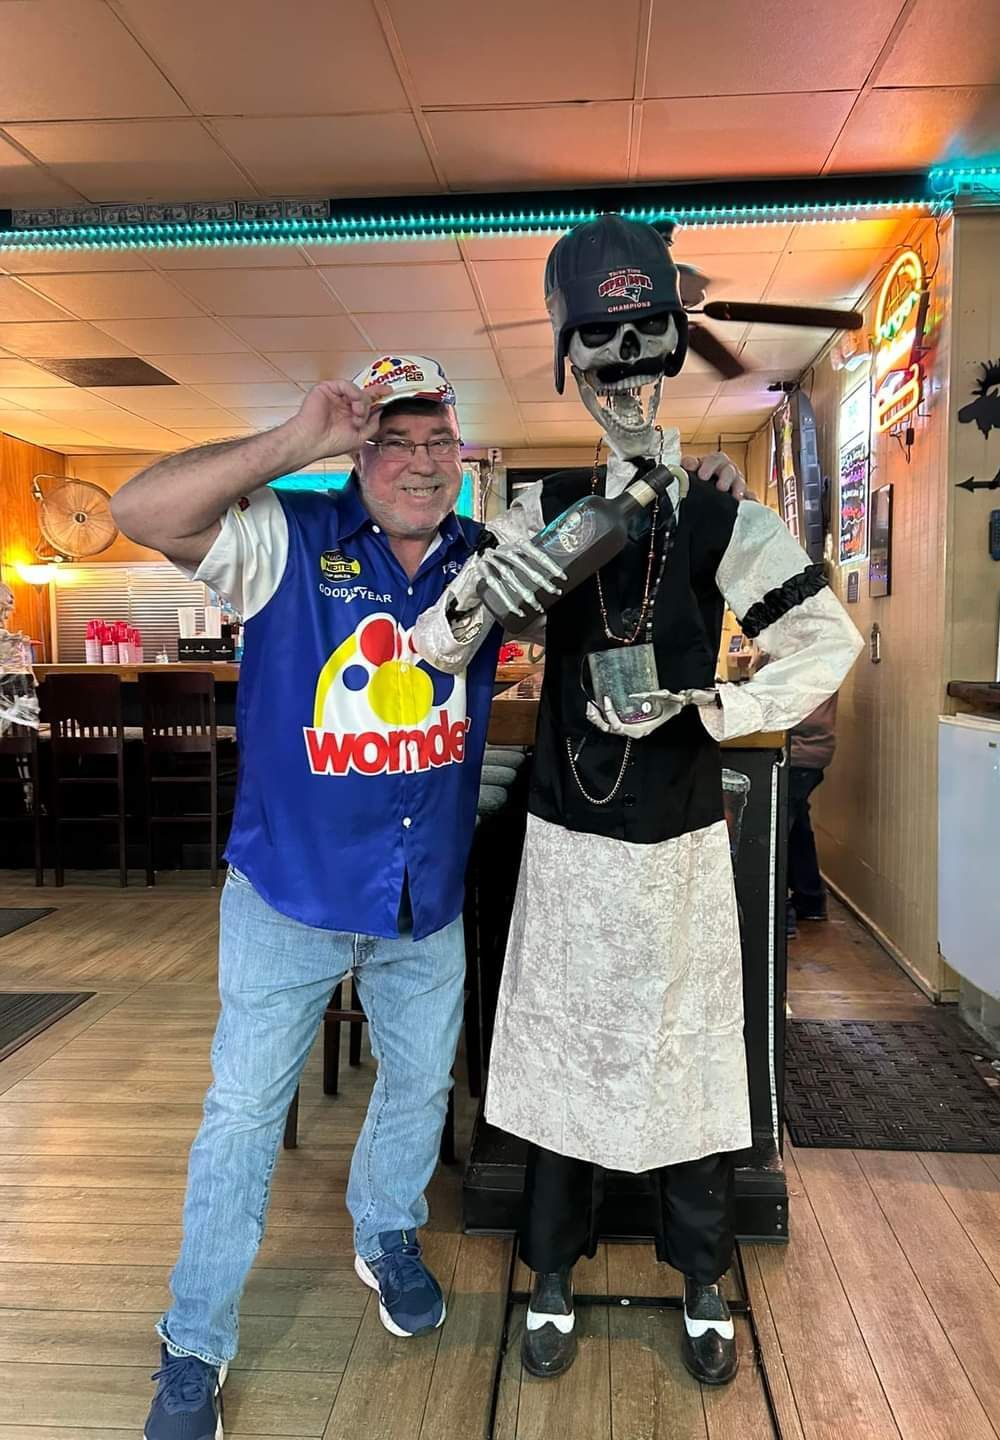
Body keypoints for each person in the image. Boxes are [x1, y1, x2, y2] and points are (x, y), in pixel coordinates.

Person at [414, 214, 863, 1388]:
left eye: (643, 337)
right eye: (595, 343)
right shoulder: (547, 507)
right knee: (563, 1065)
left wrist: (709, 705)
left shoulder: (725, 516)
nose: (622, 366)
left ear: (672, 349)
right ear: (570, 361)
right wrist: (481, 600)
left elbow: (826, 639)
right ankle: (551, 1273)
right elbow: (430, 643)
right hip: (565, 840)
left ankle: (705, 1276)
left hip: (675, 848)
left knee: (689, 1062)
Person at [110, 355, 527, 1440]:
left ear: (460, 452)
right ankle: (194, 1343)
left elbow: (609, 560)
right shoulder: (283, 536)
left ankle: (385, 1230)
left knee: (420, 1083)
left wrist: (689, 494)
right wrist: (289, 443)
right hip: (287, 895)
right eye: (396, 440)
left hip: (421, 901)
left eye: (438, 440)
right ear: (359, 450)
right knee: (241, 1120)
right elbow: (135, 509)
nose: (421, 463)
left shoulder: (486, 563)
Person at [787, 689, 839, 930]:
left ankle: (779, 916)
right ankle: (810, 900)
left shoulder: (809, 656)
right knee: (796, 825)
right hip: (807, 748)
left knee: (777, 828)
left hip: (799, 749)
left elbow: (794, 709)